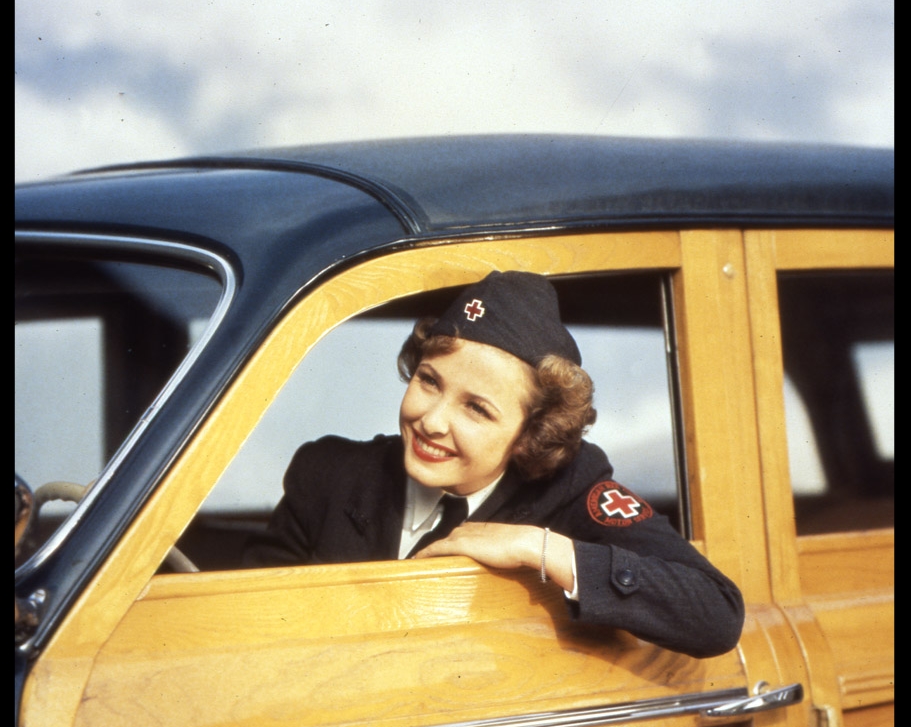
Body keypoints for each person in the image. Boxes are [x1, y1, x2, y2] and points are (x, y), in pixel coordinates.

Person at [244, 271, 744, 658]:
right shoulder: (329, 474)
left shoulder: (571, 490)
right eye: (429, 381)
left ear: (532, 434)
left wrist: (537, 546)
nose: (432, 421)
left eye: (476, 409)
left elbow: (716, 613)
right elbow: (244, 629)